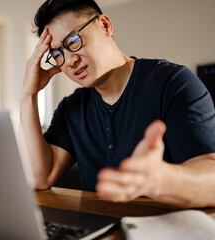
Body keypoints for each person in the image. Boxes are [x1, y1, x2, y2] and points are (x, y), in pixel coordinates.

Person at [20, 0, 215, 208]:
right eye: (57, 54)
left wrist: (159, 180)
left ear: (105, 26)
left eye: (73, 41)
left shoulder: (173, 82)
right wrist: (28, 95)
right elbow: (41, 177)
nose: (69, 61)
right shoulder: (71, 109)